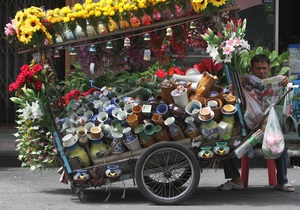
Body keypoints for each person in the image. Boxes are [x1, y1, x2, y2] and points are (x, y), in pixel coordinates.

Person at [218, 54, 295, 192]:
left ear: (269, 68)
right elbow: (228, 94)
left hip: (269, 130)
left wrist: (284, 82)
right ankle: (236, 179)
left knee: (280, 146)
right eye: (258, 68)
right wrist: (236, 84)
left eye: (264, 68)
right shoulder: (245, 82)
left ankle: (282, 181)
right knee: (224, 145)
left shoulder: (277, 82)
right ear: (252, 69)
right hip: (248, 131)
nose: (261, 71)